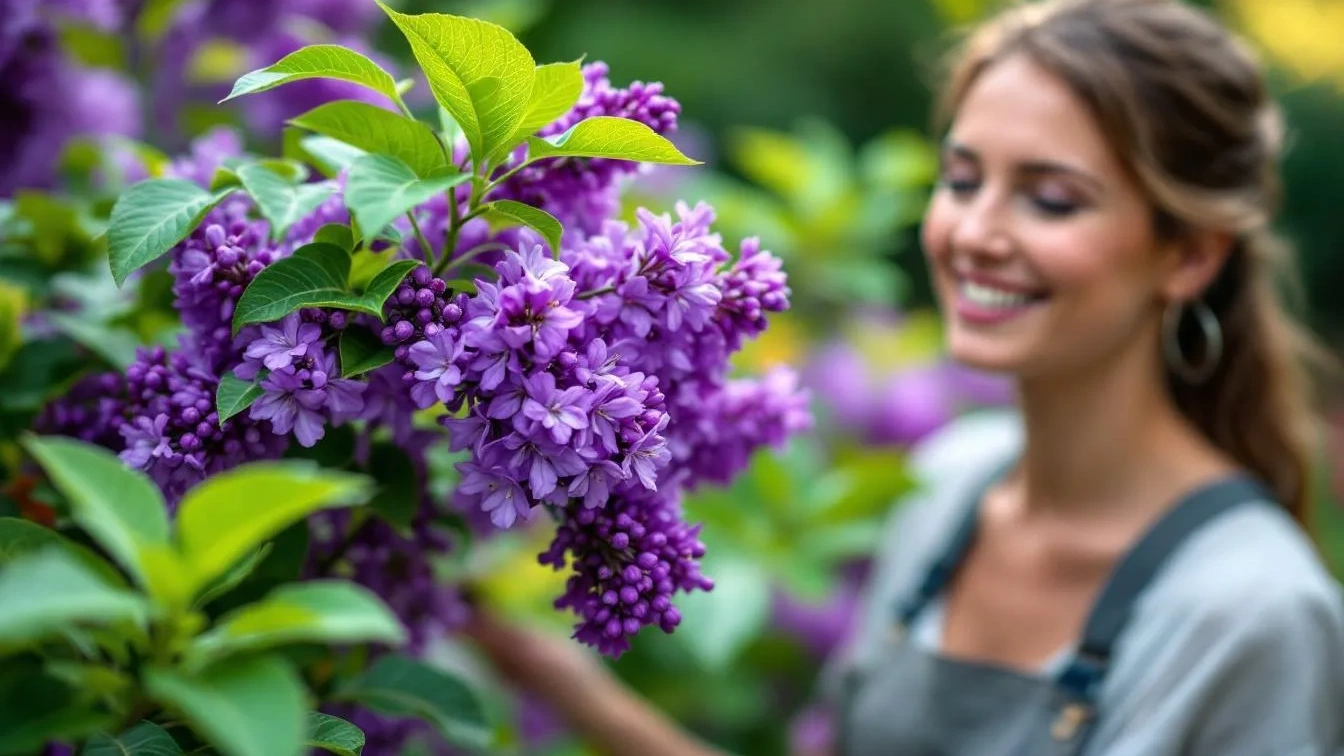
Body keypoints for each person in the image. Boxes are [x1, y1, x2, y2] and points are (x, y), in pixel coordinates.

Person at [464, 0, 1344, 753]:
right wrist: (568, 688)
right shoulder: (949, 485)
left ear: (1189, 253)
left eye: (1051, 198)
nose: (974, 232)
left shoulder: (1254, 615)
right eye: (962, 181)